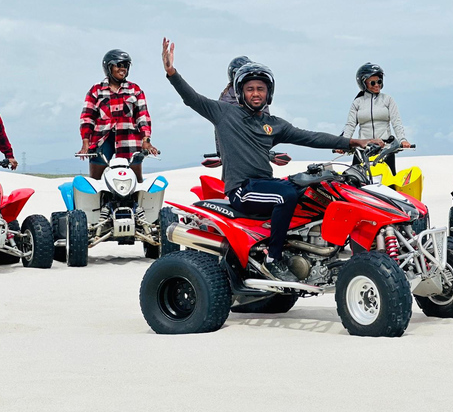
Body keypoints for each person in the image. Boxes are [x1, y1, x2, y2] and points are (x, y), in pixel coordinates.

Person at [161, 37, 383, 282]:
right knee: (284, 196)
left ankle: (303, 250)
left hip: (264, 185)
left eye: (261, 89)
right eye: (250, 89)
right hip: (242, 190)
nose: (256, 94)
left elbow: (309, 137)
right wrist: (172, 73)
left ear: (269, 93)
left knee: (312, 189)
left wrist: (352, 142)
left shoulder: (272, 124)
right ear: (241, 92)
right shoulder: (224, 113)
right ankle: (272, 258)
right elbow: (192, 99)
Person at [78, 49, 158, 182]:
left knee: (136, 181)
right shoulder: (96, 90)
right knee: (95, 183)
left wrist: (146, 141)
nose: (123, 69)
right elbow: (87, 118)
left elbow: (143, 117)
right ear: (108, 67)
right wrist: (85, 143)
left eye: (126, 66)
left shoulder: (135, 90)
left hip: (130, 139)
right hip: (102, 140)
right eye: (119, 65)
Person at [338, 62, 411, 174]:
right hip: (362, 150)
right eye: (372, 82)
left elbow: (396, 122)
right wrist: (342, 144)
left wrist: (403, 140)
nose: (377, 85)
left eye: (379, 81)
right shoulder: (357, 102)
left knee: (389, 186)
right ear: (363, 84)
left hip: (385, 150)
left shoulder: (388, 100)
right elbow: (350, 125)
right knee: (354, 183)